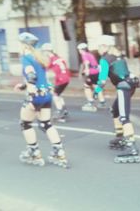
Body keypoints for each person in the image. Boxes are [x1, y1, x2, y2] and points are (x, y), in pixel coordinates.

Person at [14, 32, 68, 168]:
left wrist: (30, 92)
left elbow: (31, 76)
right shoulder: (39, 58)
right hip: (46, 95)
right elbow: (40, 78)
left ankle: (34, 154)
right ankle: (59, 153)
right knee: (46, 124)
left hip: (35, 96)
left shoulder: (26, 57)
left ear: (23, 45)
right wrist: (23, 86)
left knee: (25, 124)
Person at [94, 35, 140, 164]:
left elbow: (102, 80)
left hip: (123, 87)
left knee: (124, 117)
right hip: (131, 85)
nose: (98, 49)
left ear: (104, 46)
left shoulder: (104, 59)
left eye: (99, 46)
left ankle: (131, 147)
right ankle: (120, 137)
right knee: (115, 110)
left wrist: (96, 91)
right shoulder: (119, 56)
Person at [41, 43, 70, 122]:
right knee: (58, 94)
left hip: (61, 80)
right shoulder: (58, 58)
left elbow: (46, 68)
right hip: (66, 78)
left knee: (55, 95)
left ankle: (60, 112)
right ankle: (64, 110)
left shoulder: (52, 59)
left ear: (47, 51)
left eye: (44, 51)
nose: (44, 53)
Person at [77, 42, 106, 112]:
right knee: (96, 86)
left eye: (79, 50)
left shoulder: (84, 55)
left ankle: (90, 102)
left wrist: (86, 73)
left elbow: (87, 63)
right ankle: (102, 101)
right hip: (97, 71)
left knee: (86, 86)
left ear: (81, 50)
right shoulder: (90, 54)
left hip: (91, 72)